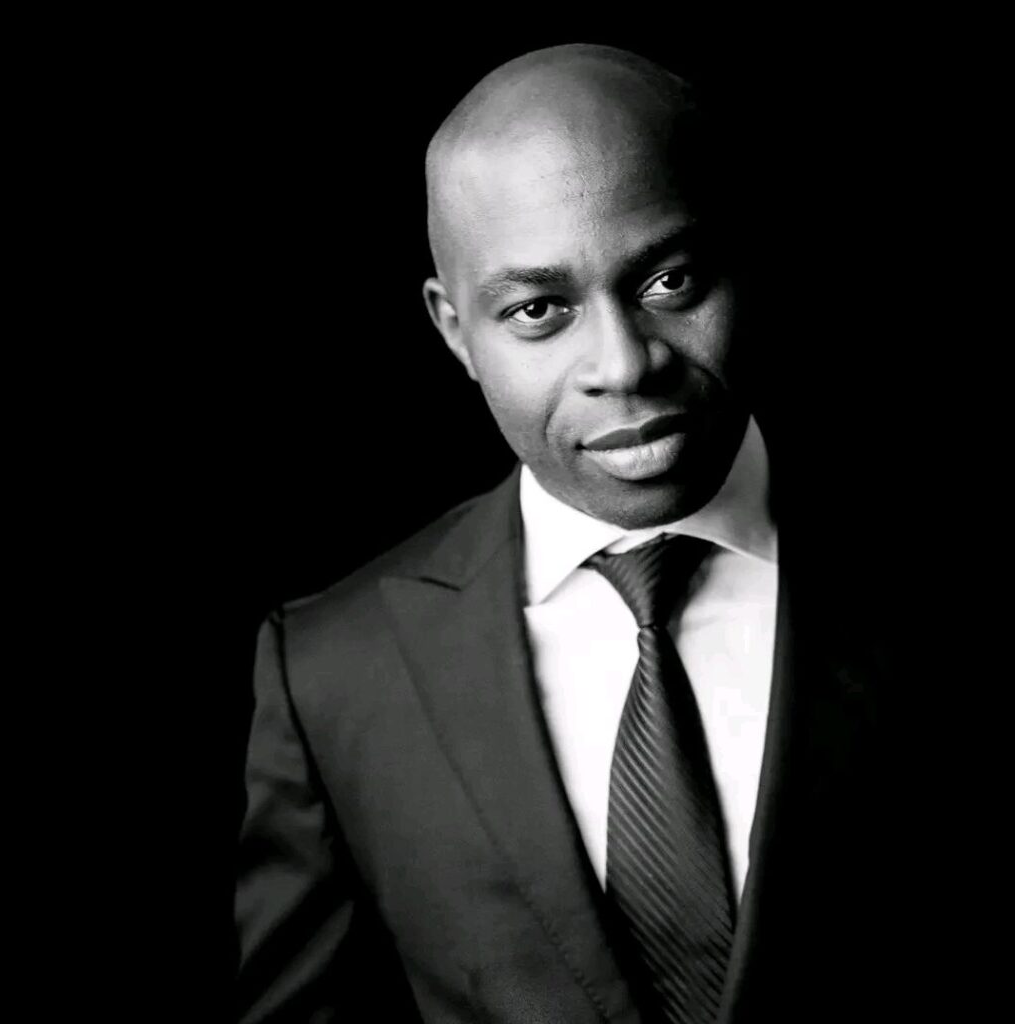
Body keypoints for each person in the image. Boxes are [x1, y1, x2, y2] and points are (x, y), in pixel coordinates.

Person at [234, 43, 897, 1023]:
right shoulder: (331, 671)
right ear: (455, 331)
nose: (622, 365)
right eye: (539, 310)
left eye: (669, 281)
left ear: (742, 257)